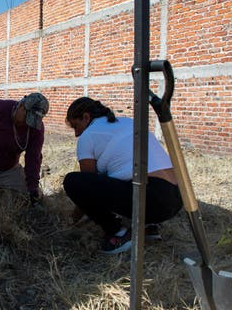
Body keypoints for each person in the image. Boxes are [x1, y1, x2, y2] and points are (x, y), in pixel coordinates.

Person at [62, 97, 183, 254]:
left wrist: (73, 219)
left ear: (86, 117)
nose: (77, 134)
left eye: (76, 126)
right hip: (178, 196)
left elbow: (87, 186)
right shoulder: (127, 121)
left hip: (152, 198)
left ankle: (117, 232)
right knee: (122, 177)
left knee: (72, 181)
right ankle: (147, 226)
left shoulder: (88, 136)